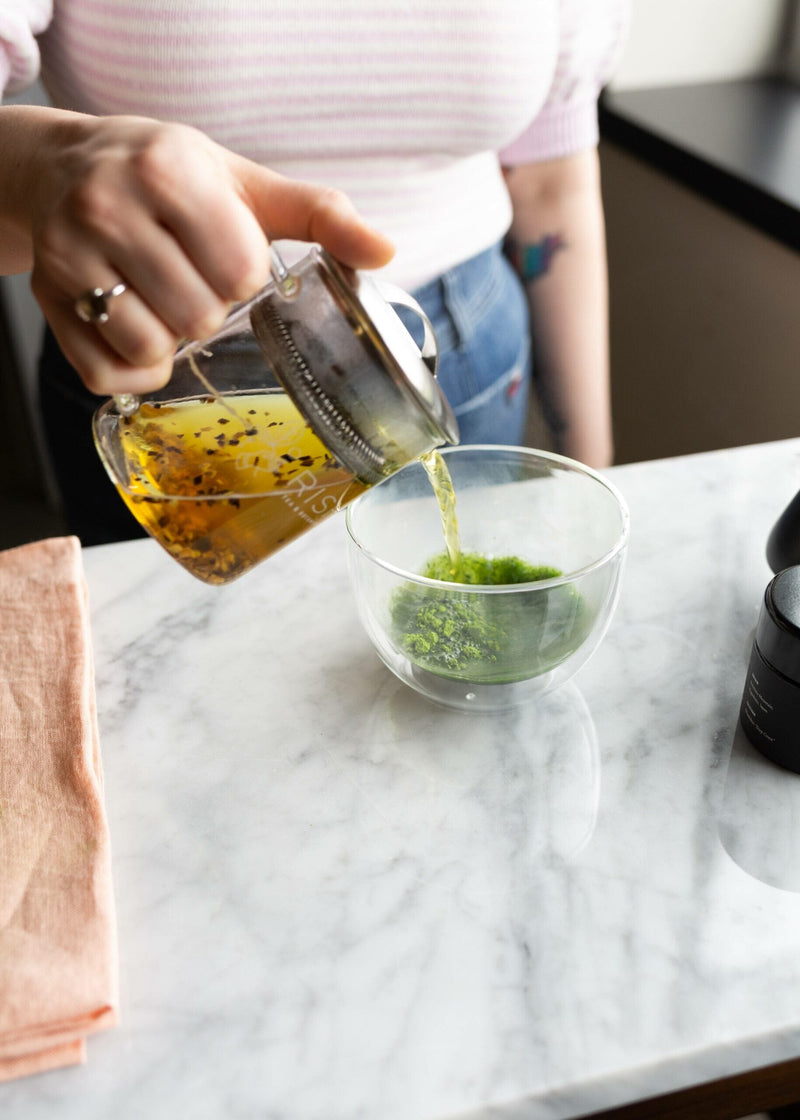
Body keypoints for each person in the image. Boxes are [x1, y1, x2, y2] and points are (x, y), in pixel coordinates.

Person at [0, 1, 628, 545]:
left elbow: (551, 181)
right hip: (170, 361)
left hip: (458, 357)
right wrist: (35, 168)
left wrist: (596, 474)